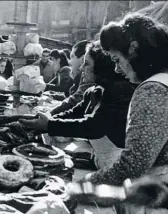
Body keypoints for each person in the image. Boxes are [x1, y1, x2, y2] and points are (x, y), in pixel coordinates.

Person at [84, 13, 168, 214]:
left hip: (153, 202)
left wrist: (86, 184)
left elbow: (135, 162)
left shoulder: (153, 89)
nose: (117, 70)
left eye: (116, 60)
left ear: (133, 49)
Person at [19, 41, 134, 169]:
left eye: (87, 64)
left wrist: (49, 124)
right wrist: (47, 119)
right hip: (101, 160)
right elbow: (74, 112)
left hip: (119, 166)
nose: (81, 68)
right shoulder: (94, 91)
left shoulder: (119, 93)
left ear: (101, 67)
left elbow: (94, 126)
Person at [50, 40, 94, 116]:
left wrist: (50, 114)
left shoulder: (86, 76)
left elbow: (74, 100)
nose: (69, 62)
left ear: (82, 59)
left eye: (72, 57)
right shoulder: (78, 75)